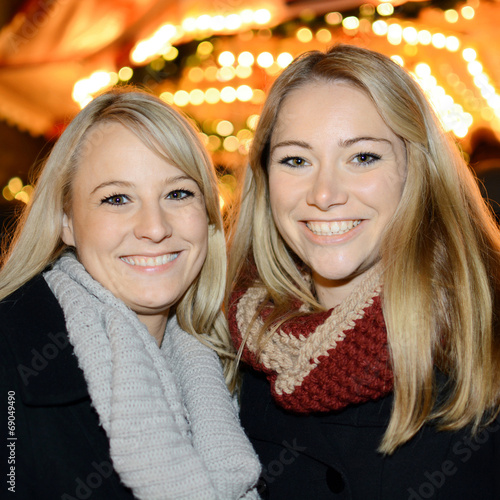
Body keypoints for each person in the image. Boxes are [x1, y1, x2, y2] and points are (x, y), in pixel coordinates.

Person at [227, 44, 500, 499]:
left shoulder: (485, 331)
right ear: (265, 178)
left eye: (363, 157)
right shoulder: (226, 352)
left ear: (419, 170)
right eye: (296, 160)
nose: (325, 193)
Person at [0, 88, 260, 500]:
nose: (154, 228)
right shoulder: (12, 359)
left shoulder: (244, 368)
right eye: (117, 198)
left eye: (178, 194)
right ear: (67, 221)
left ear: (208, 213)